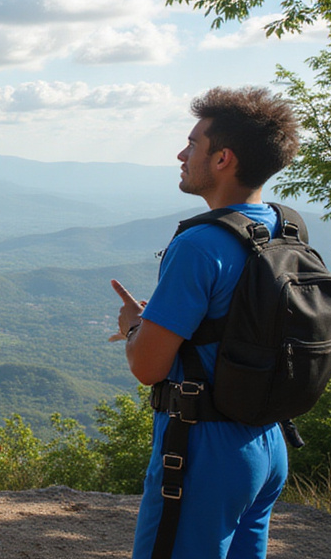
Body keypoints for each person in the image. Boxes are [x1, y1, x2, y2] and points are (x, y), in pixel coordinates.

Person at [112, 86, 300, 559]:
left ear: (223, 159)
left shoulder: (199, 245)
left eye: (193, 143)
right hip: (267, 442)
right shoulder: (285, 229)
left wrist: (137, 325)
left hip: (204, 451)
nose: (182, 152)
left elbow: (148, 368)